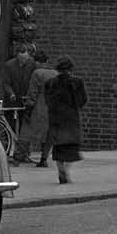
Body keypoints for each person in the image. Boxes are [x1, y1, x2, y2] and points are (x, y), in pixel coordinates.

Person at [43, 56, 88, 184]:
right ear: (71, 69)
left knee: (58, 148)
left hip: (56, 119)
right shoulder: (77, 82)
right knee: (71, 149)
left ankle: (60, 170)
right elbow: (82, 100)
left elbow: (48, 101)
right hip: (71, 119)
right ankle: (66, 171)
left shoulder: (50, 83)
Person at [21, 52, 58, 169]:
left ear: (38, 62)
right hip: (53, 107)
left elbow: (33, 93)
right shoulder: (55, 74)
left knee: (27, 131)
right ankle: (44, 157)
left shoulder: (37, 73)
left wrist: (28, 108)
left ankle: (20, 155)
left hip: (40, 106)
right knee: (48, 134)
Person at [0, 46, 34, 165]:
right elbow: (6, 82)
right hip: (12, 100)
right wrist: (11, 94)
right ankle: (11, 151)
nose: (23, 62)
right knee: (10, 126)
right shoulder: (9, 65)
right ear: (17, 56)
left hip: (25, 100)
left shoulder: (32, 65)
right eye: (21, 60)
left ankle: (23, 152)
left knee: (25, 127)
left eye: (25, 60)